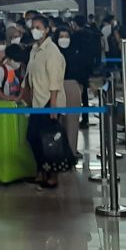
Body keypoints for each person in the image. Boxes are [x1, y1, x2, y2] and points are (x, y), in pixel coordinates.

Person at [25, 14, 67, 190]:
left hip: (48, 101)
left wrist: (53, 106)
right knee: (33, 137)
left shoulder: (52, 51)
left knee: (49, 141)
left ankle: (52, 175)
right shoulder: (35, 49)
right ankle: (42, 171)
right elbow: (30, 74)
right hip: (37, 101)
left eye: (39, 27)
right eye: (33, 27)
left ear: (47, 30)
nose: (35, 30)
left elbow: (55, 80)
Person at [54, 25, 85, 157]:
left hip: (72, 85)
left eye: (66, 36)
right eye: (61, 37)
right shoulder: (53, 53)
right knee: (58, 121)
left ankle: (71, 150)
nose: (64, 39)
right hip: (56, 86)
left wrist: (81, 85)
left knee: (72, 121)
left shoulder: (76, 51)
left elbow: (82, 70)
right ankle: (59, 149)